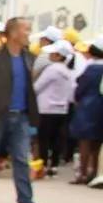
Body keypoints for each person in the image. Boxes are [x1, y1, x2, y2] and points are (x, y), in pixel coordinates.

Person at [0, 17, 44, 203]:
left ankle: (25, 199)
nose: (29, 34)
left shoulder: (29, 58)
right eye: (26, 29)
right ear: (13, 33)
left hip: (21, 115)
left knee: (21, 157)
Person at [33, 41, 75, 177]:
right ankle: (54, 165)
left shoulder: (51, 69)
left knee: (43, 138)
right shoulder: (68, 71)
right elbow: (71, 92)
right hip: (62, 108)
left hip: (46, 108)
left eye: (52, 53)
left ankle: (43, 164)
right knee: (57, 138)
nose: (50, 55)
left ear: (59, 56)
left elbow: (38, 87)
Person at [68, 43, 103, 185]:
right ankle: (94, 172)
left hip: (88, 107)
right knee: (98, 143)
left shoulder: (91, 68)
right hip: (100, 106)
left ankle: (82, 173)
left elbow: (80, 88)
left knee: (84, 141)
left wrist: (77, 98)